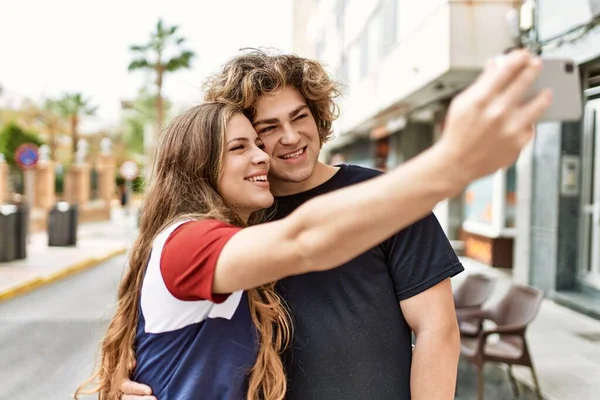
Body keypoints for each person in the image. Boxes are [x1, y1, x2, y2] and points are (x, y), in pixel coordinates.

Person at [119, 49, 551, 400]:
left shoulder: (384, 197)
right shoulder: (233, 222)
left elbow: (437, 328)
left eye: (300, 116)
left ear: (319, 116)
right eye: (264, 130)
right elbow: (161, 316)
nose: (289, 137)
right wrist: (127, 372)